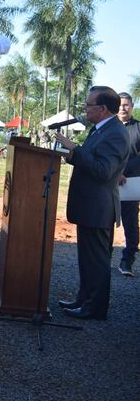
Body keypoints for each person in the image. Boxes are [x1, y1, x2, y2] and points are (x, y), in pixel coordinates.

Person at [54, 86, 130, 320]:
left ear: (103, 109)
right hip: (90, 206)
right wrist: (72, 155)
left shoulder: (115, 133)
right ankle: (83, 299)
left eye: (89, 105)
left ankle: (94, 309)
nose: (85, 109)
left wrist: (74, 149)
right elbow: (91, 159)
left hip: (99, 207)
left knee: (96, 261)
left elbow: (102, 170)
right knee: (87, 259)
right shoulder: (100, 130)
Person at [117, 92, 140, 277]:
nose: (123, 108)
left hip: (130, 184)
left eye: (126, 105)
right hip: (107, 182)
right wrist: (116, 173)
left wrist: (125, 172)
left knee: (131, 224)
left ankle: (127, 261)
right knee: (104, 222)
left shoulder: (138, 128)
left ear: (132, 106)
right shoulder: (109, 127)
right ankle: (102, 258)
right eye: (120, 104)